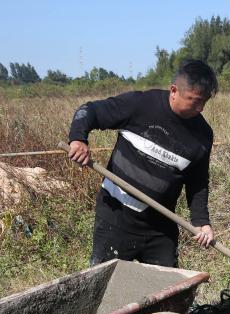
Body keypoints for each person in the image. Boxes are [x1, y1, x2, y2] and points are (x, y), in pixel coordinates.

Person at [67, 59, 217, 267]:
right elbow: (89, 111)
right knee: (107, 281)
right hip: (116, 216)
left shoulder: (202, 135)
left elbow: (198, 183)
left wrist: (201, 222)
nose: (200, 108)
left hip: (160, 226)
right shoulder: (140, 105)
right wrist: (78, 139)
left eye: (204, 102)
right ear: (174, 90)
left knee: (168, 285)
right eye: (195, 100)